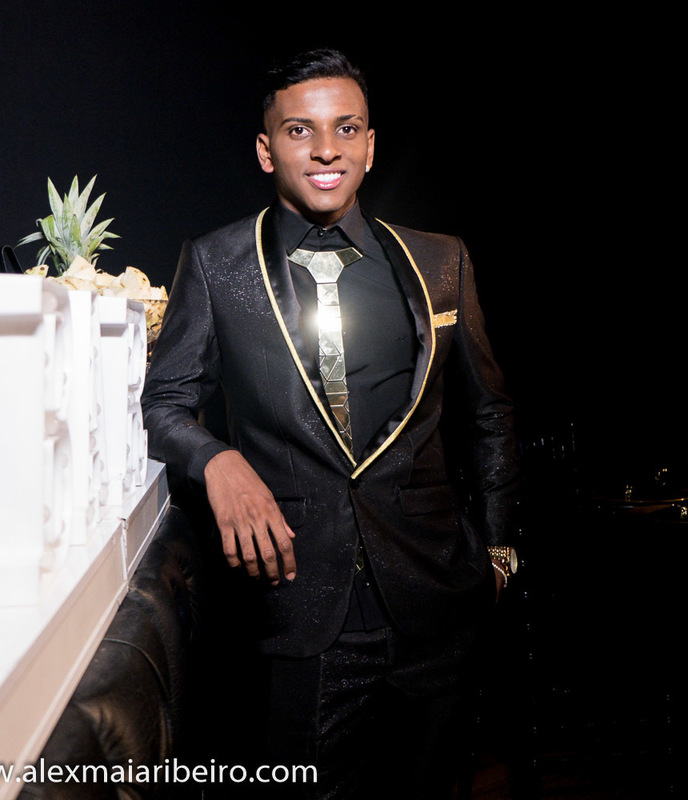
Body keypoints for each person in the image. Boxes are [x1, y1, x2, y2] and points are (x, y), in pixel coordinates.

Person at [141, 48, 519, 799]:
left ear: (370, 146)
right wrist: (217, 460)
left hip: (434, 602)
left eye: (346, 128)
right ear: (266, 150)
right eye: (300, 130)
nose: (326, 149)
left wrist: (501, 554)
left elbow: (489, 412)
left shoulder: (440, 262)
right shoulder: (217, 264)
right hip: (296, 613)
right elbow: (163, 404)